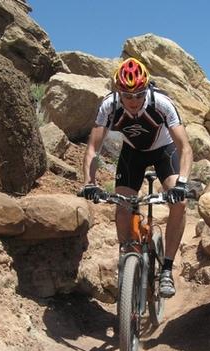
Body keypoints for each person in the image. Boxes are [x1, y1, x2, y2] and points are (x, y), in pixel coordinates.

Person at [82, 57, 193, 298]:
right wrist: (89, 184)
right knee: (122, 207)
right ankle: (127, 259)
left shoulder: (162, 103)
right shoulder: (109, 106)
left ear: (147, 89)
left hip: (164, 150)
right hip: (132, 153)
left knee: (180, 203)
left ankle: (166, 269)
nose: (133, 101)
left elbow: (184, 147)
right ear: (118, 92)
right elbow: (93, 149)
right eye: (127, 95)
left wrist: (182, 184)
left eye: (139, 94)